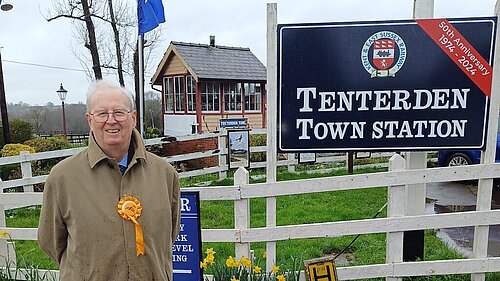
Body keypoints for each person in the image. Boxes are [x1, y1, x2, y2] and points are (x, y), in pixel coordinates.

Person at [38, 80, 181, 281]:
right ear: (90, 120)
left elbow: (169, 235)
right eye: (102, 113)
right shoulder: (63, 177)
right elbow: (51, 242)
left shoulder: (165, 174)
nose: (111, 120)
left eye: (119, 113)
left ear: (133, 117)